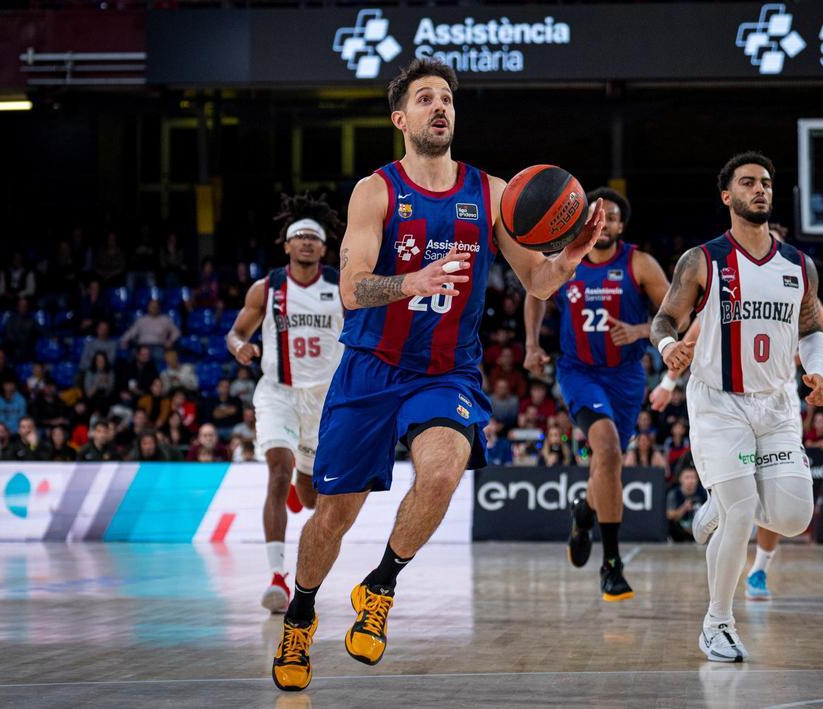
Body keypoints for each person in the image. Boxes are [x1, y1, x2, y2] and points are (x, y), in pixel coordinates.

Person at [271, 58, 605, 691]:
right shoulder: (376, 190)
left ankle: (382, 584)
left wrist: (571, 255)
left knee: (445, 470)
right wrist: (412, 281)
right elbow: (350, 286)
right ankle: (301, 612)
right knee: (332, 516)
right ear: (401, 118)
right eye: (424, 98)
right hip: (370, 369)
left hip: (447, 372)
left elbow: (536, 279)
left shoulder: (493, 193)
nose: (439, 107)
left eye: (446, 98)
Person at [648, 151, 823, 662]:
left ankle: (718, 504)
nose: (760, 190)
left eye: (766, 183)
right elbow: (665, 320)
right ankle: (717, 623)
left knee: (793, 518)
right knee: (744, 512)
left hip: (776, 404)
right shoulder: (702, 260)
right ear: (727, 196)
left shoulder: (799, 265)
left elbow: (812, 329)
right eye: (748, 183)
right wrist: (668, 348)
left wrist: (816, 369)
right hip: (718, 402)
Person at [651, 225, 823, 602]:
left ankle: (744, 536)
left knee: (787, 507)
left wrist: (800, 360)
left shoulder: (794, 275)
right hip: (726, 400)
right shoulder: (720, 279)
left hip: (776, 396)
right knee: (743, 500)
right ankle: (733, 593)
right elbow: (688, 337)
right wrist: (669, 381)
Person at [523, 185, 670, 602]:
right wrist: (533, 344)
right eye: (598, 216)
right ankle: (611, 565)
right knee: (605, 451)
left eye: (614, 217)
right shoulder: (566, 263)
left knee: (608, 465)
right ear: (585, 222)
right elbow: (535, 293)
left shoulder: (638, 263)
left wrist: (642, 330)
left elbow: (674, 312)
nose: (606, 224)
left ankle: (584, 512)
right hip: (579, 372)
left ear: (621, 225)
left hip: (626, 377)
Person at [225, 191, 346, 614]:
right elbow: (235, 332)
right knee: (278, 470)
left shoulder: (339, 285)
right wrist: (240, 347)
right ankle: (278, 577)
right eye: (301, 237)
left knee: (310, 499)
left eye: (315, 238)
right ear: (288, 245)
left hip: (322, 400)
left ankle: (301, 485)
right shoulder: (268, 287)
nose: (308, 243)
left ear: (324, 247)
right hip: (277, 391)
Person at [667, 466, 708, 542]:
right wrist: (684, 508)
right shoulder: (674, 493)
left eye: (693, 477)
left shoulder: (703, 492)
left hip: (700, 530)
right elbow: (669, 515)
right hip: (680, 531)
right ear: (680, 479)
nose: (690, 481)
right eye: (687, 477)